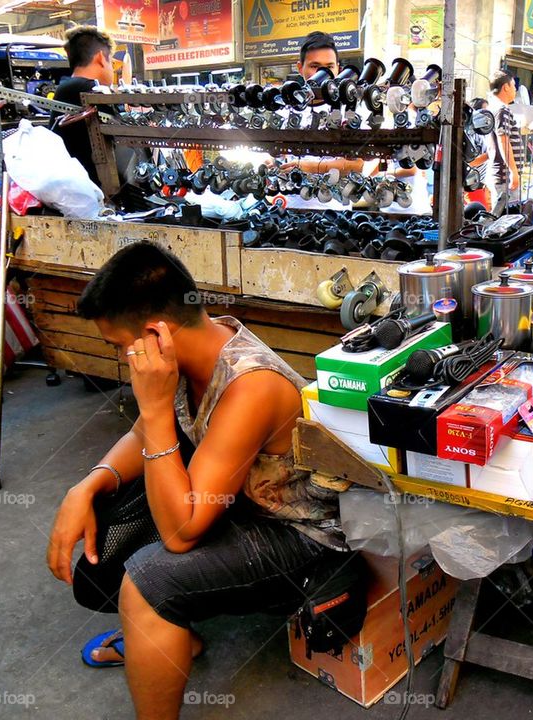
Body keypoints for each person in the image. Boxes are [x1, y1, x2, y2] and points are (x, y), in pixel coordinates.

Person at [46, 243, 352, 718]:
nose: (121, 357)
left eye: (118, 345)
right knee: (100, 554)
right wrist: (88, 483)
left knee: (148, 584)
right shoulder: (200, 349)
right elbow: (144, 434)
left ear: (154, 334)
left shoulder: (251, 385)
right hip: (238, 503)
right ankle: (171, 643)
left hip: (303, 540)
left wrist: (151, 404)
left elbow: (181, 531)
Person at [282, 31, 366, 209]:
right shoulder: (285, 108)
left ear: (338, 69)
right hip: (292, 209)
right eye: (314, 66)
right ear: (300, 68)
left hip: (336, 213)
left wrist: (308, 167)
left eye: (329, 67)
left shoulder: (350, 111)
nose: (323, 73)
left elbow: (357, 166)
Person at [52, 26, 114, 187]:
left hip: (70, 187)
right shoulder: (92, 90)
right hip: (93, 189)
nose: (111, 68)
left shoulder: (65, 87)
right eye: (111, 62)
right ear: (101, 58)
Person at [487, 71, 523, 212]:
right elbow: (504, 141)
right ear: (506, 87)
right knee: (506, 222)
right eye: (513, 85)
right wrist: (513, 171)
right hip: (504, 177)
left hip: (500, 175)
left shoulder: (493, 108)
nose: (515, 89)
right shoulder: (502, 110)